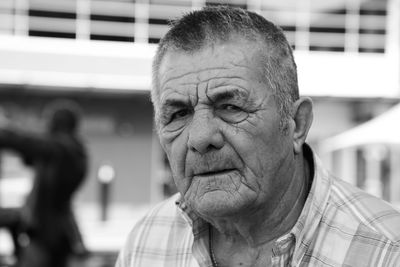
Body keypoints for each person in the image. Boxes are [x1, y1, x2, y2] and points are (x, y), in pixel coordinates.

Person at [116, 6, 400, 267]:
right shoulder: (146, 241)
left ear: (297, 124)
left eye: (230, 107)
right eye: (178, 114)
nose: (200, 138)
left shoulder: (386, 251)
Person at [0, 100, 88, 267]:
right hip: (51, 231)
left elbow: (29, 143)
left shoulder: (67, 150)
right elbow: (31, 151)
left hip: (48, 235)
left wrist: (5, 131)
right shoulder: (65, 152)